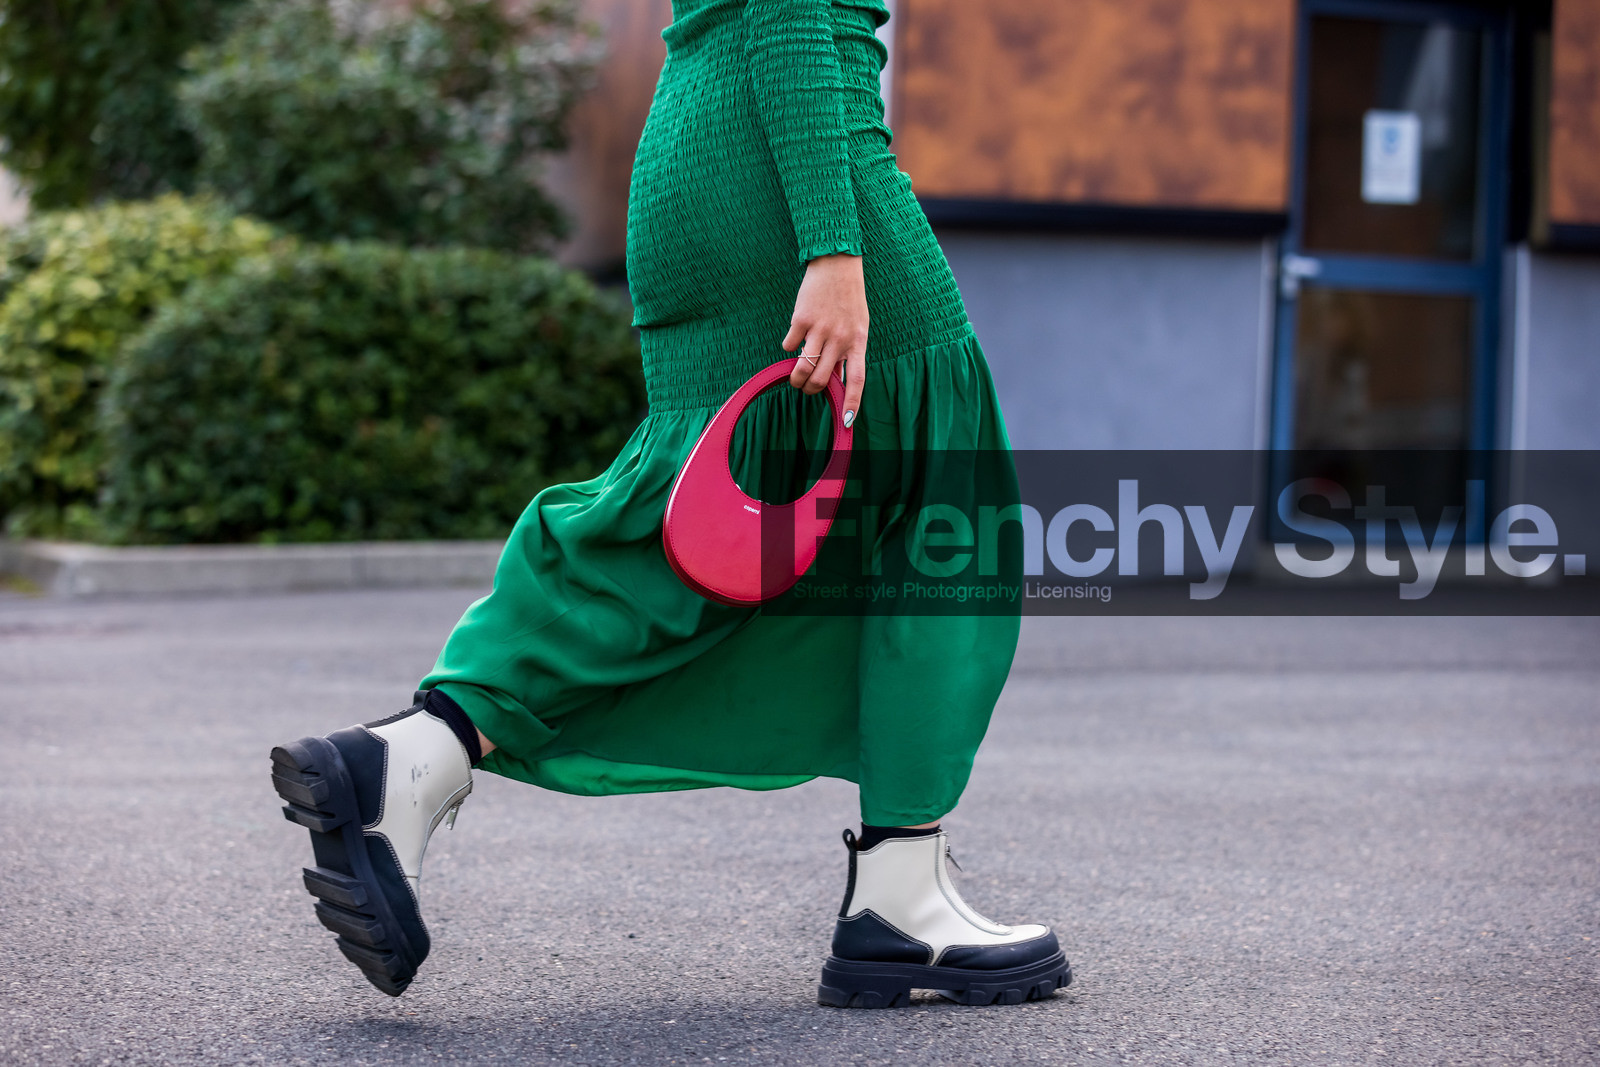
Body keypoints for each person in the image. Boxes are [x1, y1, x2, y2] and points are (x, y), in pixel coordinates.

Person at [269, 0, 1070, 1009]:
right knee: (937, 505)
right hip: (795, 164)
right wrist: (831, 244)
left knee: (744, 504)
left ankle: (421, 754)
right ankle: (900, 901)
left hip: (719, 146)